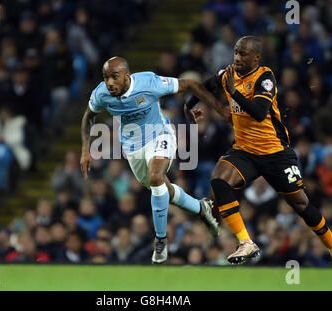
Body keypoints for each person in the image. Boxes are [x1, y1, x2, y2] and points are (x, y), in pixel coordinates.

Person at [185, 36, 332, 270]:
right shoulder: (227, 74)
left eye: (243, 54)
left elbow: (258, 112)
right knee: (219, 180)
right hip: (244, 150)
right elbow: (203, 87)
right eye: (235, 52)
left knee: (302, 206)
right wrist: (189, 105)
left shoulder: (265, 78)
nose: (237, 57)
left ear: (256, 57)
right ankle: (245, 242)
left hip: (275, 152)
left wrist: (234, 94)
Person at [80, 56, 230, 264]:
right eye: (106, 78)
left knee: (156, 177)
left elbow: (190, 85)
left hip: (160, 134)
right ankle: (201, 208)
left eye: (115, 77)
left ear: (127, 75)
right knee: (162, 190)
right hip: (133, 149)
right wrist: (85, 149)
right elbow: (89, 117)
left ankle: (161, 241)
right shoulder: (101, 94)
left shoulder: (149, 83)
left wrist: (218, 109)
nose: (110, 82)